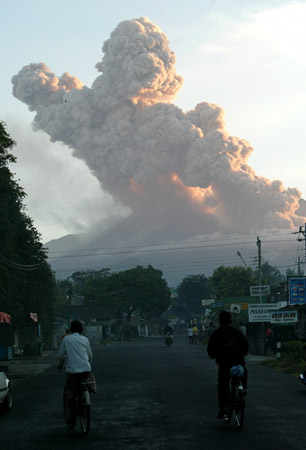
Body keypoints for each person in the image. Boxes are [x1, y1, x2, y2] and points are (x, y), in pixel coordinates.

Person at [207, 310, 249, 419]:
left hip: (224, 362)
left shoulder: (217, 334)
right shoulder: (237, 332)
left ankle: (223, 408)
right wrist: (243, 354)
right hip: (238, 359)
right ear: (230, 320)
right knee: (243, 371)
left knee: (223, 383)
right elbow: (246, 345)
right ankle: (242, 388)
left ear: (220, 321)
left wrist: (216, 355)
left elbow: (211, 351)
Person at [58, 320, 96, 428]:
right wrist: (89, 363)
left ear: (71, 329)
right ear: (81, 330)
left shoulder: (66, 339)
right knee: (88, 382)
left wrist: (61, 365)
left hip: (72, 371)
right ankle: (88, 392)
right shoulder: (85, 339)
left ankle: (71, 416)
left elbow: (61, 356)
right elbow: (90, 355)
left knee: (70, 392)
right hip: (86, 370)